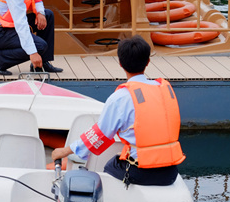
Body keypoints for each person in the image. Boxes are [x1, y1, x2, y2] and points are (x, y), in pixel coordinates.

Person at [52, 35, 185, 186]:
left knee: (109, 166)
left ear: (120, 63)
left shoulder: (121, 98)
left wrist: (64, 151)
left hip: (142, 173)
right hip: (170, 172)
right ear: (148, 62)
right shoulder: (165, 90)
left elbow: (99, 134)